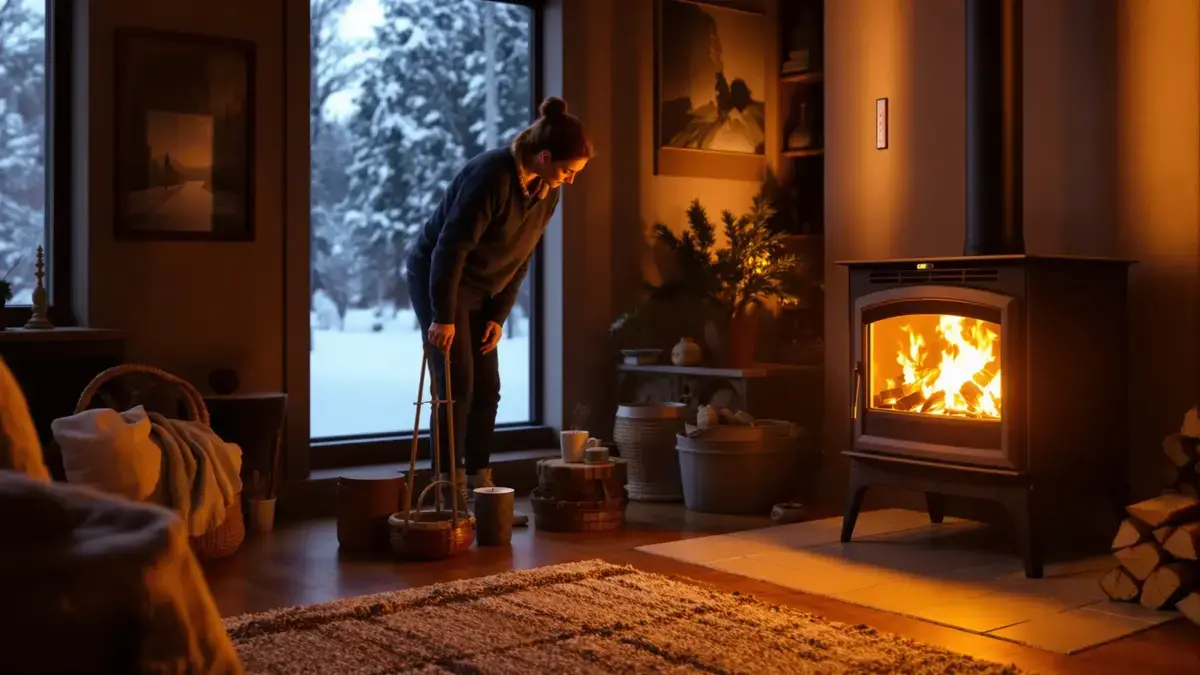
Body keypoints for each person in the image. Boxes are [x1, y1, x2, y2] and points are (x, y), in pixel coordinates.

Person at [405, 96, 592, 510]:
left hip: (483, 289)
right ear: (543, 156)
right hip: (441, 278)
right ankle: (445, 490)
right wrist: (442, 316)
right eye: (567, 170)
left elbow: (522, 255)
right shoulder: (491, 175)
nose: (570, 180)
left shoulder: (548, 190)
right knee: (457, 385)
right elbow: (448, 250)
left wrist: (498, 315)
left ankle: (479, 486)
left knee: (488, 388)